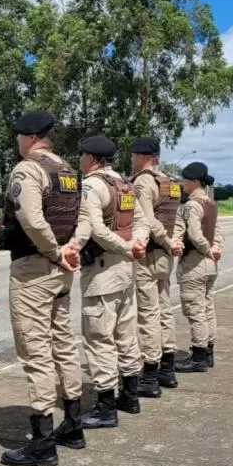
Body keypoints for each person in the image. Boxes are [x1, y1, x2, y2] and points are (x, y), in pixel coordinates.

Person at [0, 110, 85, 466]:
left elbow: (31, 220)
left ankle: (43, 442)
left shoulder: (28, 169)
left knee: (35, 352)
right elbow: (78, 217)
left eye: (19, 136)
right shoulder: (67, 170)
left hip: (35, 269)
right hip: (61, 270)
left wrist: (54, 252)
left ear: (30, 137)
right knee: (63, 343)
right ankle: (73, 424)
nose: (18, 142)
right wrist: (69, 250)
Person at [67, 135, 149, 428]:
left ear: (90, 158)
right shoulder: (124, 184)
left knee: (99, 338)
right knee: (126, 333)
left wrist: (127, 247)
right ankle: (130, 395)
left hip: (102, 271)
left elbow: (95, 229)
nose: (80, 160)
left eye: (81, 155)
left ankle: (105, 406)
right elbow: (141, 221)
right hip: (126, 270)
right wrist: (138, 243)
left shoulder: (92, 185)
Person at [129, 137, 185, 395]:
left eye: (133, 156)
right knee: (164, 310)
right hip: (165, 256)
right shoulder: (170, 182)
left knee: (148, 314)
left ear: (142, 157)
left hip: (150, 253)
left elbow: (147, 221)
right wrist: (173, 242)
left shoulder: (143, 182)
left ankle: (150, 374)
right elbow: (177, 217)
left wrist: (166, 241)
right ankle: (167, 369)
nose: (132, 160)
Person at [173, 161, 223, 372]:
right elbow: (217, 231)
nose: (182, 183)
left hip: (195, 263)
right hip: (211, 265)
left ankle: (199, 355)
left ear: (194, 181)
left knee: (195, 311)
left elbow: (194, 234)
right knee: (208, 308)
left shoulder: (192, 206)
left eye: (185, 180)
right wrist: (216, 248)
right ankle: (209, 351)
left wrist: (207, 249)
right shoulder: (210, 203)